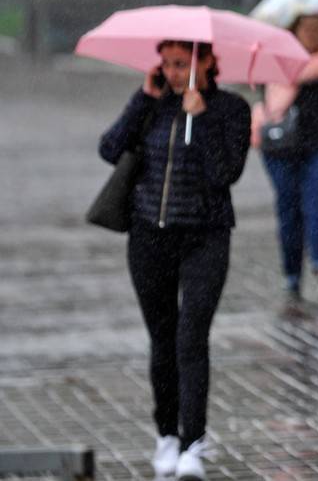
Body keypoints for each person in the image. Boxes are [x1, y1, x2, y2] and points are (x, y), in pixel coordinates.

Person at [99, 41, 250, 480]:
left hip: (205, 238)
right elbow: (109, 149)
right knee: (162, 339)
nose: (171, 71)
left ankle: (193, 443)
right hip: (149, 237)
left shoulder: (230, 109)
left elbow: (226, 174)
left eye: (181, 63)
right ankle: (166, 433)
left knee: (191, 337)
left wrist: (199, 117)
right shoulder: (153, 105)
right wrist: (141, 99)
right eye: (166, 63)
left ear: (205, 63)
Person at [252, 13, 318, 302]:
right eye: (307, 29)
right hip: (281, 147)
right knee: (289, 209)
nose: (313, 34)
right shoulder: (280, 57)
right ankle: (292, 274)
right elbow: (294, 76)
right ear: (294, 31)